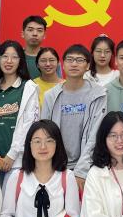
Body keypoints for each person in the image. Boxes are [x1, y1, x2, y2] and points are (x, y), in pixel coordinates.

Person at [41, 44, 107, 188]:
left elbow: (95, 134)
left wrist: (81, 171)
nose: (74, 64)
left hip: (89, 168)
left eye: (79, 60)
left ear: (88, 65)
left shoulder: (98, 94)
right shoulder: (51, 96)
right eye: (70, 60)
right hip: (56, 167)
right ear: (63, 65)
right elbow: (44, 133)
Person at [0, 40, 39, 181]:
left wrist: (12, 155)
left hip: (16, 163)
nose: (9, 61)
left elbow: (30, 124)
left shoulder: (28, 88)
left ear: (20, 61)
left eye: (14, 57)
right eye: (4, 56)